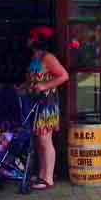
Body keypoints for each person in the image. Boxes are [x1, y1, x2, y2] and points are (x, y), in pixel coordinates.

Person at [26, 26, 69, 190]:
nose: (27, 40)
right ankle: (42, 174)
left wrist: (45, 86)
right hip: (35, 102)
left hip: (47, 103)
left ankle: (48, 178)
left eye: (30, 37)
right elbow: (33, 79)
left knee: (45, 139)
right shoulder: (35, 57)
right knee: (39, 140)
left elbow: (63, 75)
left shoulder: (48, 57)